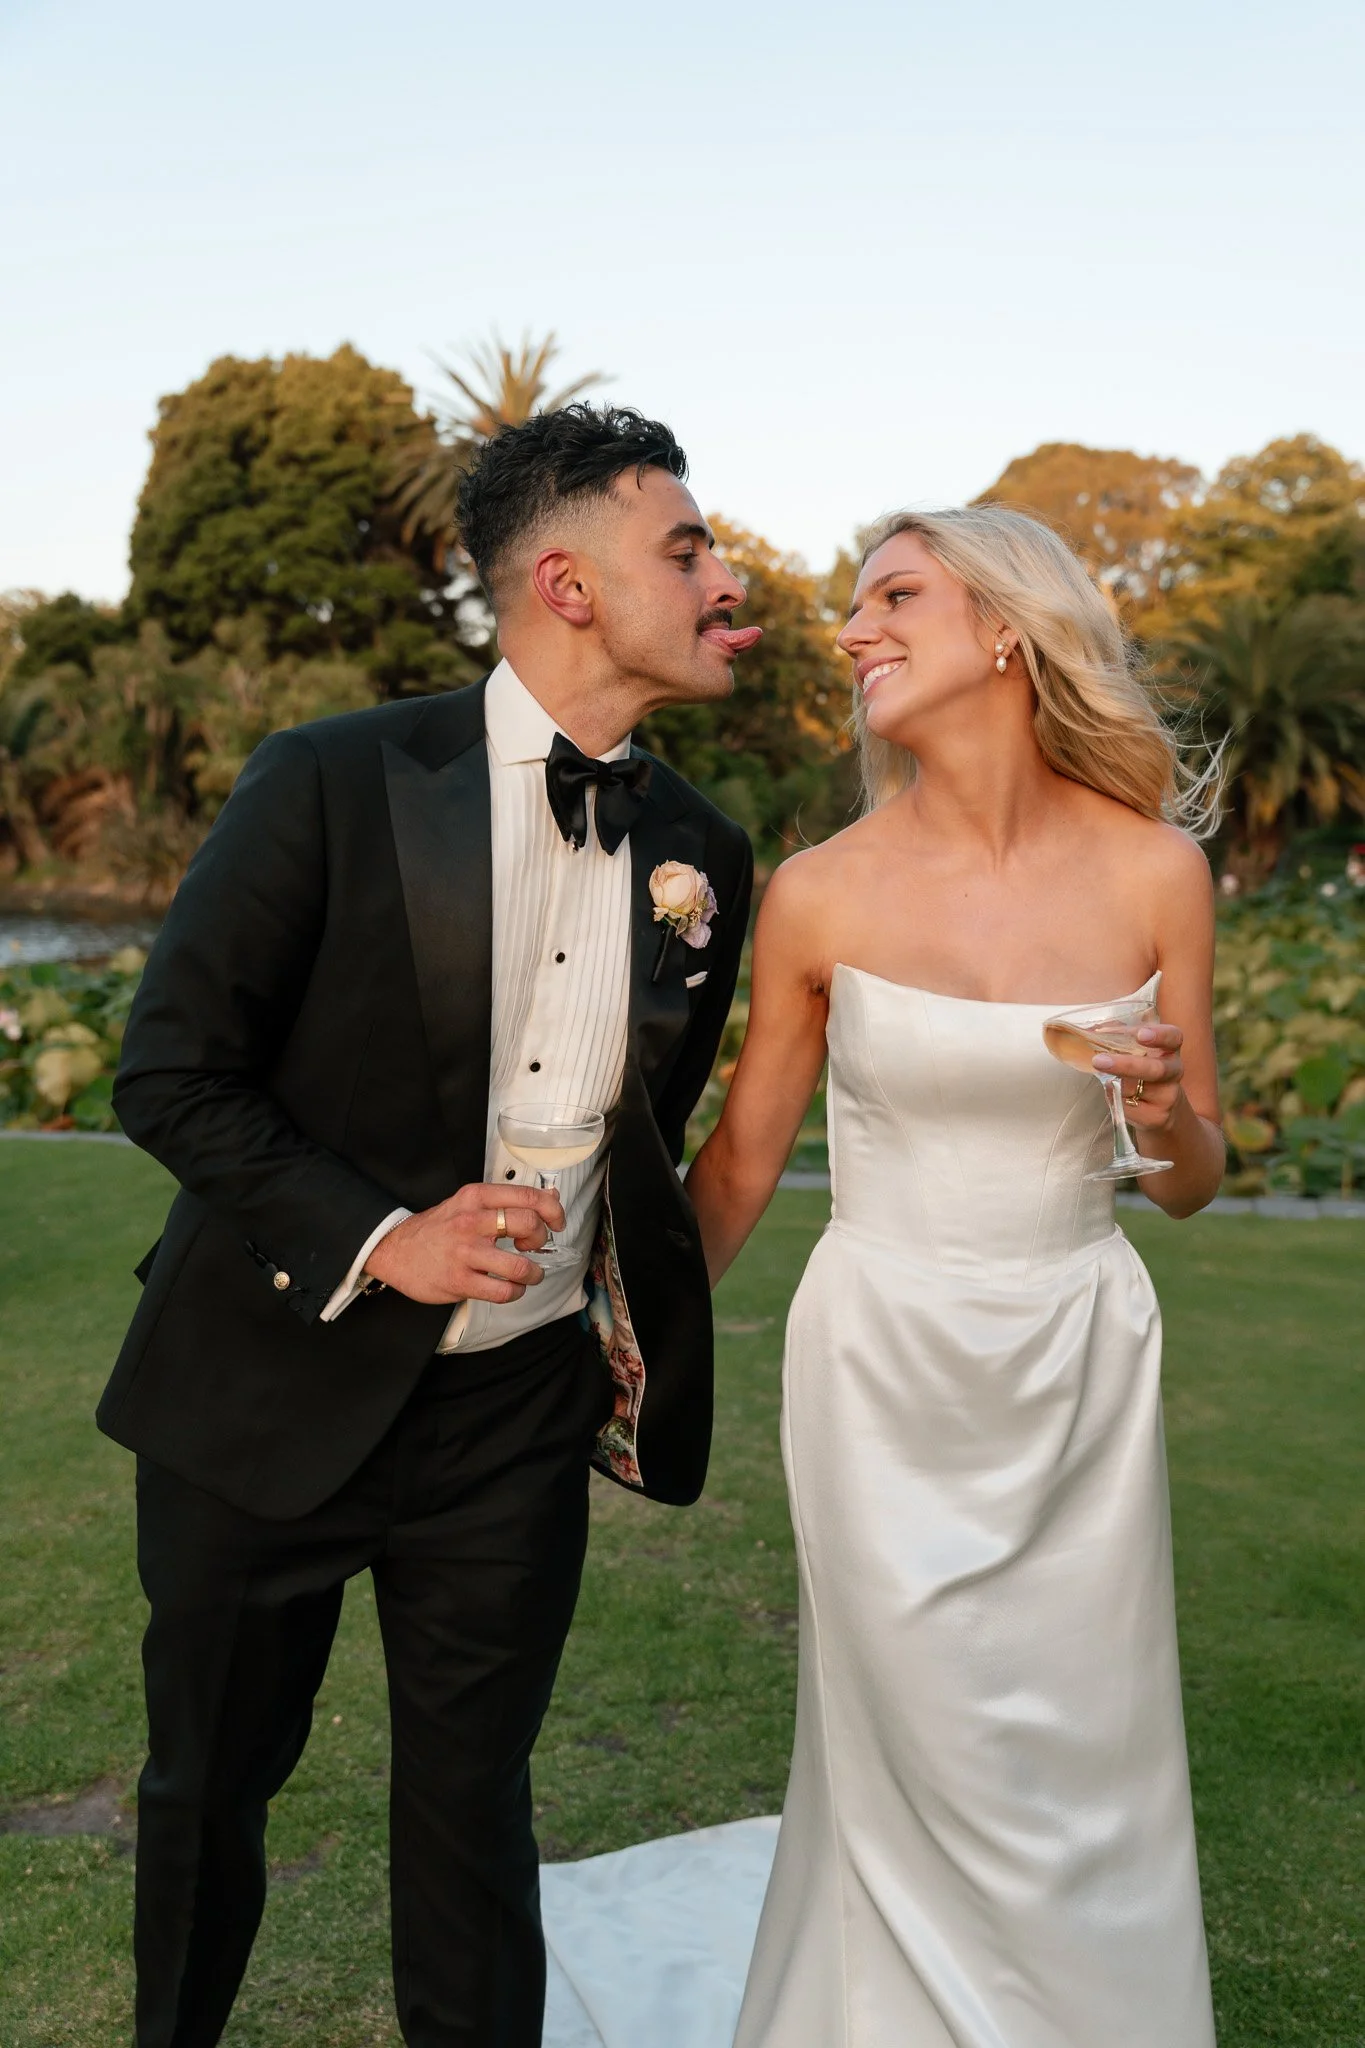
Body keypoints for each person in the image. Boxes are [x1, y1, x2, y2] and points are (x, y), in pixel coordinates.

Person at [98, 404, 757, 2048]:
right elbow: (171, 1073)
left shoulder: (703, 854)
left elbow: (650, 1139)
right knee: (207, 1790)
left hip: (514, 1418)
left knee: (475, 1815)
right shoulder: (330, 778)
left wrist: (621, 1340)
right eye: (688, 549)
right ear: (569, 585)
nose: (727, 579)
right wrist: (380, 1233)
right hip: (265, 1382)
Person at [686, 504, 1224, 2046]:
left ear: (1006, 629)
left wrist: (1162, 1112)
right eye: (857, 604)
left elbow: (1194, 1178)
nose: (853, 629)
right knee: (917, 1740)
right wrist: (604, 1344)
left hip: (1077, 1361)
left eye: (896, 596)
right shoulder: (820, 891)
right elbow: (739, 1166)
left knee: (1081, 1752)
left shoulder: (1157, 873)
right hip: (881, 1366)